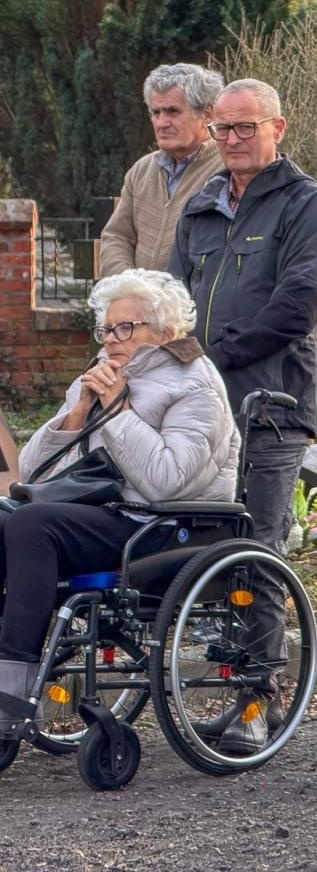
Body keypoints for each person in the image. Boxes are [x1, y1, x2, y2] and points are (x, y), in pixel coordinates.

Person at [168, 77, 317, 745]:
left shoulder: (306, 205)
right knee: (204, 551)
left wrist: (209, 357)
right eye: (223, 130)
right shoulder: (200, 209)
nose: (232, 140)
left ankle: (256, 699)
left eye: (246, 128)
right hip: (201, 412)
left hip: (271, 408)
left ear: (278, 129)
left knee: (258, 550)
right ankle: (224, 680)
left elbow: (296, 308)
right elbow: (173, 305)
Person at [1, 270, 238, 724]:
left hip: (162, 527)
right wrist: (78, 413)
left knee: (33, 525)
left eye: (125, 328)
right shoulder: (102, 376)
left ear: (166, 331)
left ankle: (11, 692)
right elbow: (31, 474)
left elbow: (167, 482)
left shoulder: (195, 384)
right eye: (107, 328)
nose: (111, 339)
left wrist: (118, 413)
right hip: (97, 514)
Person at [100, 64, 226, 276]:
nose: (161, 123)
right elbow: (117, 237)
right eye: (155, 112)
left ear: (207, 114)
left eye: (172, 112)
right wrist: (128, 287)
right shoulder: (142, 170)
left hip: (193, 306)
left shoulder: (228, 170)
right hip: (138, 303)